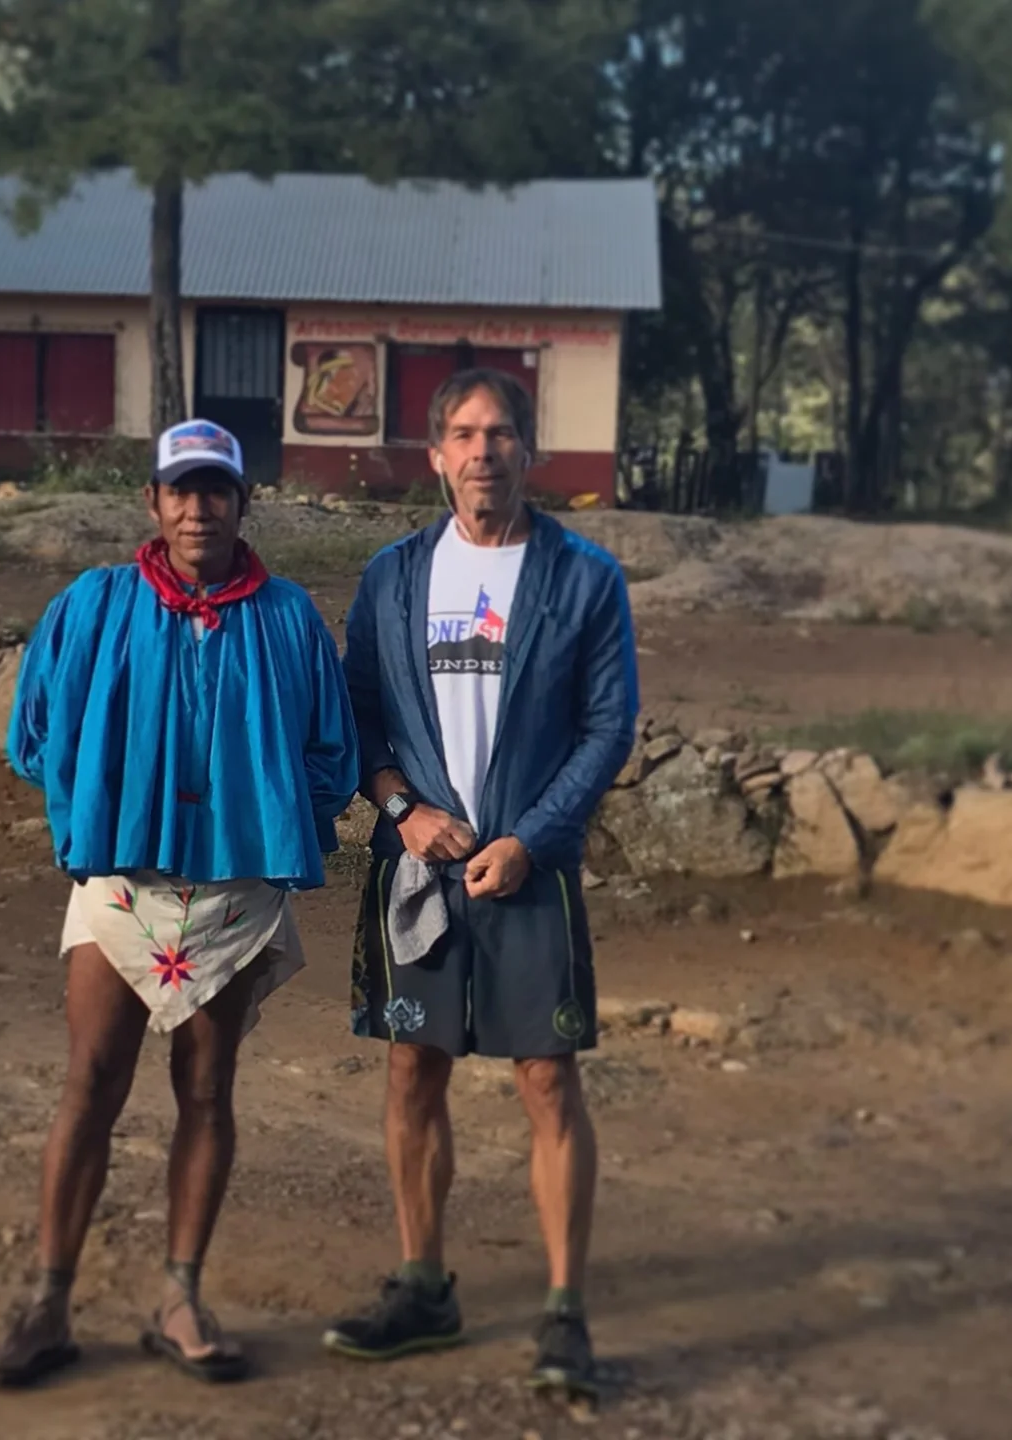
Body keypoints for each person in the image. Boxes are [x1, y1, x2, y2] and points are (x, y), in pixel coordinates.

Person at [0, 419, 358, 1389]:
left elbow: (330, 752)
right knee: (91, 1081)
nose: (198, 508)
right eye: (180, 490)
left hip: (231, 893)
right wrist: (99, 801)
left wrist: (260, 825)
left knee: (208, 1087)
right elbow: (35, 730)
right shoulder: (93, 607)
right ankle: (49, 1301)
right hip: (121, 885)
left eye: (215, 490)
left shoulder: (289, 617)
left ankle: (181, 1295)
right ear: (152, 502)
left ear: (243, 502)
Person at [324, 370, 639, 1397]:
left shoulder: (584, 579)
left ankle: (563, 1314)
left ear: (528, 451)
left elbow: (606, 727)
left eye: (501, 434)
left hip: (527, 873)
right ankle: (423, 1285)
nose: (483, 452)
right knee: (413, 1067)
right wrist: (402, 810)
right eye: (463, 434)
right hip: (419, 869)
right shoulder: (394, 577)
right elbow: (360, 712)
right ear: (436, 455)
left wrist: (536, 838)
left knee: (547, 1079)